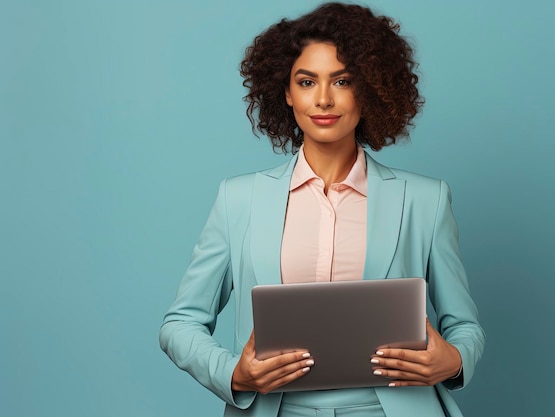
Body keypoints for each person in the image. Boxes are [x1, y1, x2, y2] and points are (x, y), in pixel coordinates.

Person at [159, 3, 485, 417]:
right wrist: (234, 374)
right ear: (287, 93)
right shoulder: (238, 199)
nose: (324, 99)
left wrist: (453, 360)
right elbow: (180, 323)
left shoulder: (426, 199)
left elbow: (465, 326)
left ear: (367, 90)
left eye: (342, 81)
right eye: (307, 81)